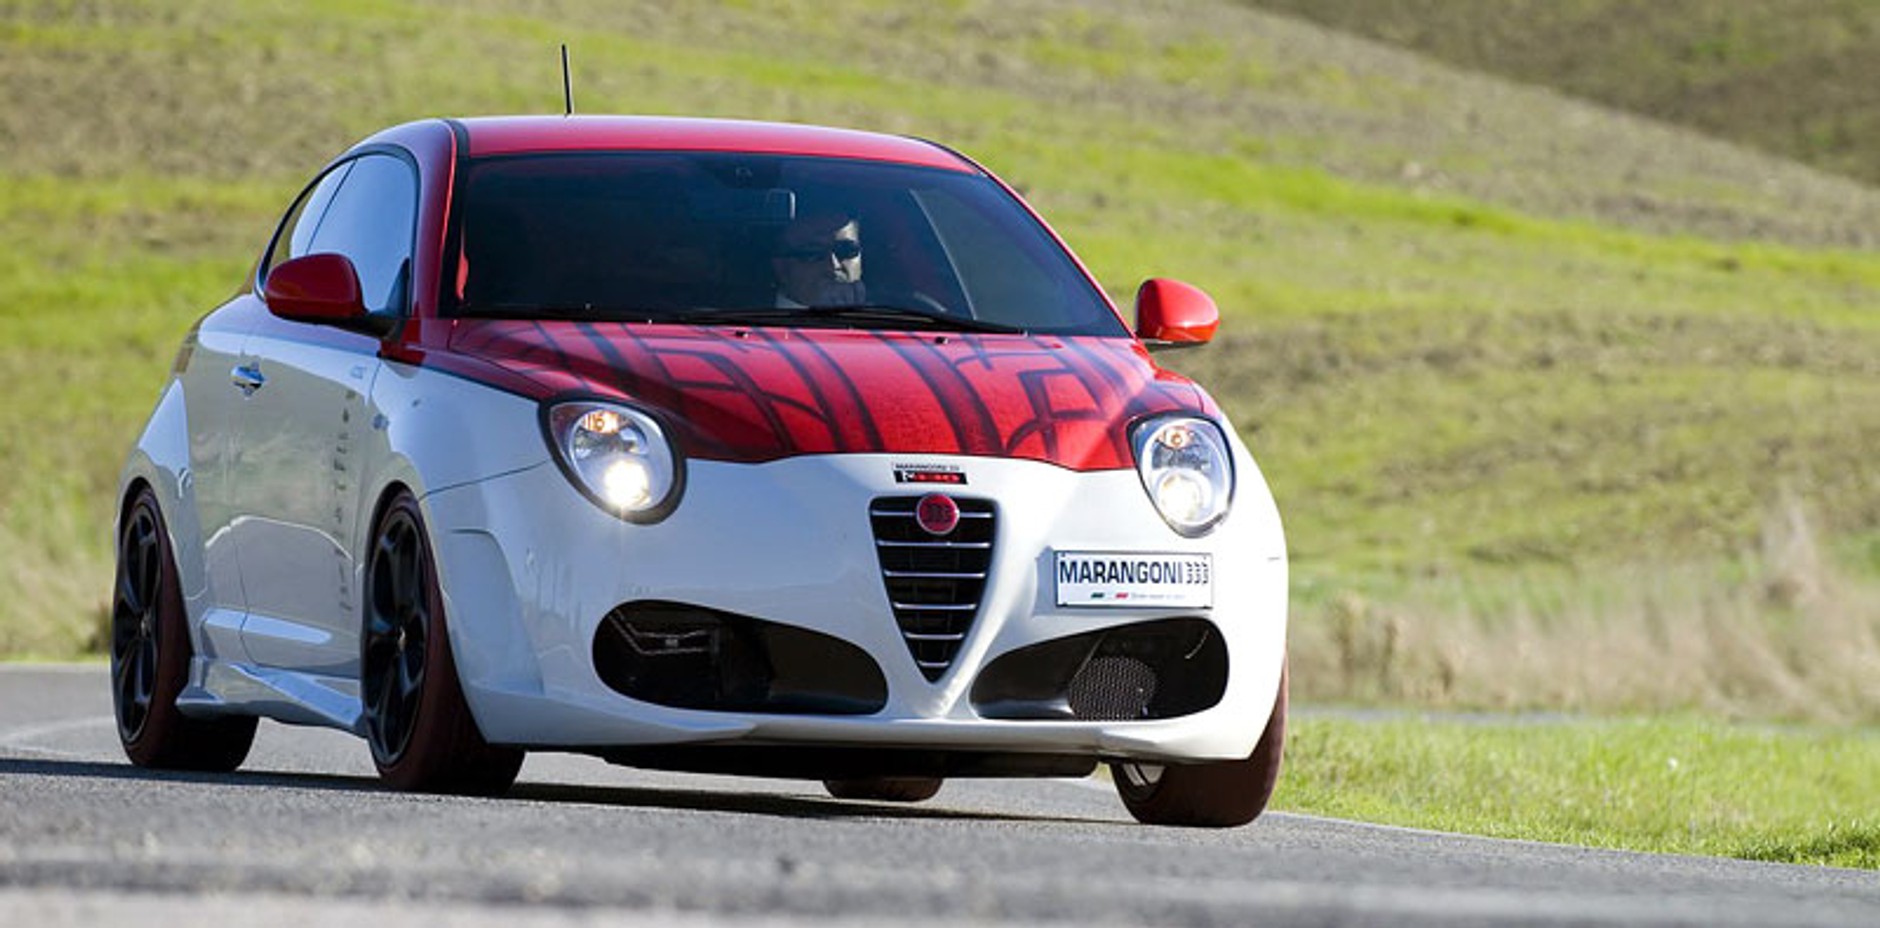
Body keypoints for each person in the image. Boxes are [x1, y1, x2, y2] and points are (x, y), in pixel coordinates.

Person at [771, 212, 866, 307]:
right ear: (781, 267)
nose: (834, 265)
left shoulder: (878, 316)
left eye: (847, 250)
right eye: (813, 254)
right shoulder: (761, 318)